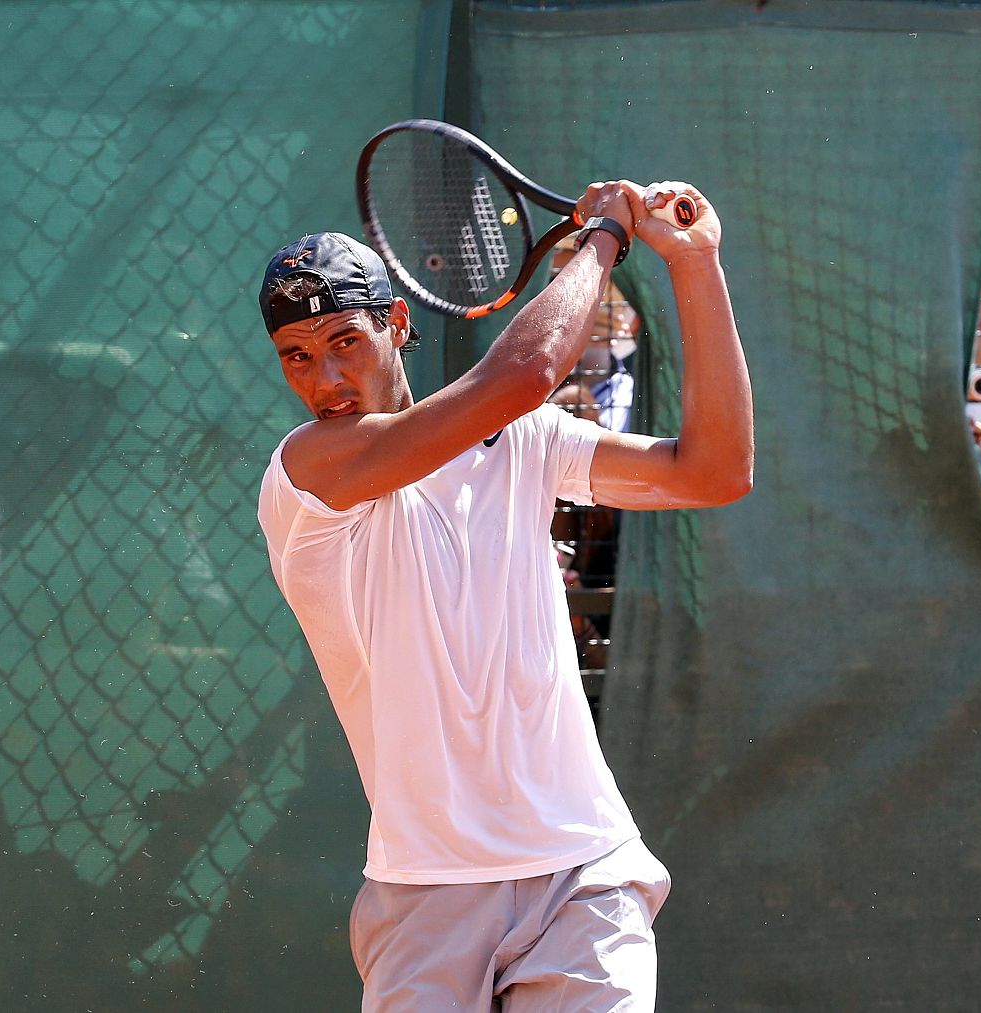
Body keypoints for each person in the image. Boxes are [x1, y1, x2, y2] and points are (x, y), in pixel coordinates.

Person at [256, 178, 753, 1010]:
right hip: (423, 894)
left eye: (346, 340)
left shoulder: (526, 441)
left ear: (399, 326)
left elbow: (713, 469)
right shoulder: (306, 473)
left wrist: (696, 262)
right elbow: (523, 372)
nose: (326, 378)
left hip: (584, 878)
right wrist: (602, 239)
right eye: (298, 356)